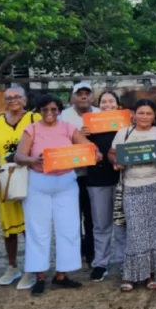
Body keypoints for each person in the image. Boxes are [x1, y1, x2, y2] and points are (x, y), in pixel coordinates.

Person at [15, 94, 99, 296]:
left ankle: (62, 275)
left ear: (60, 111)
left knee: (69, 229)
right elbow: (19, 156)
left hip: (66, 183)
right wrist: (34, 159)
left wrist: (94, 152)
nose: (49, 113)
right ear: (39, 111)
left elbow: (88, 147)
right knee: (38, 231)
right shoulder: (32, 129)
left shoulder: (68, 128)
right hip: (39, 182)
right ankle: (40, 276)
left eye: (53, 109)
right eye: (45, 109)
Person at [111, 99, 156, 292]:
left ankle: (151, 275)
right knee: (135, 232)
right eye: (141, 113)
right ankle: (131, 275)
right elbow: (112, 154)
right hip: (132, 186)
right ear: (134, 114)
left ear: (153, 116)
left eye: (148, 113)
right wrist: (116, 161)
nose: (144, 117)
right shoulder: (123, 133)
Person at [0, 85, 38, 290]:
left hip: (31, 179)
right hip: (8, 181)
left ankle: (32, 268)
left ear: (25, 100)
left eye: (17, 97)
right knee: (8, 227)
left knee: (30, 226)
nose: (13, 100)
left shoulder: (34, 120)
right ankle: (13, 266)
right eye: (9, 97)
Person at [86, 90, 127, 282]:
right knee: (100, 224)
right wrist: (82, 135)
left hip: (122, 178)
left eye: (111, 101)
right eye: (103, 101)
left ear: (118, 106)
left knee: (121, 223)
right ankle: (100, 263)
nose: (107, 104)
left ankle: (123, 262)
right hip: (97, 179)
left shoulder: (127, 124)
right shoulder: (89, 125)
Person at [59, 81, 98, 268]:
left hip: (95, 172)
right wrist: (78, 136)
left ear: (92, 96)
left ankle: (91, 253)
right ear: (73, 97)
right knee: (73, 216)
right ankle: (74, 254)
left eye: (87, 93)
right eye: (79, 93)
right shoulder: (64, 117)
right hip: (72, 173)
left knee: (91, 216)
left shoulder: (99, 114)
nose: (83, 96)